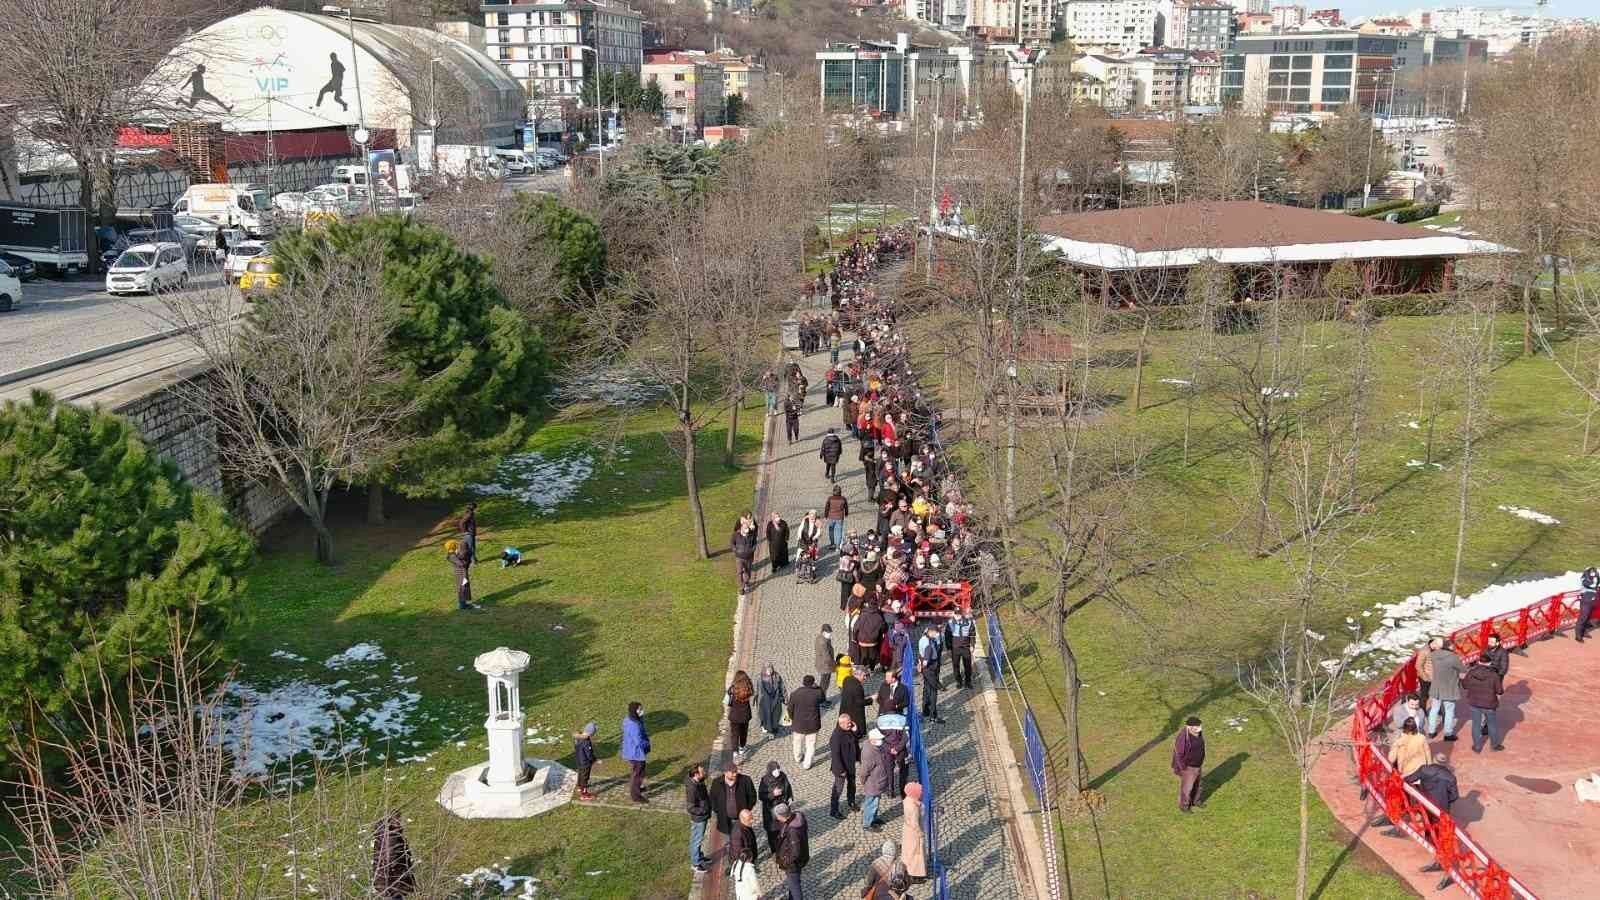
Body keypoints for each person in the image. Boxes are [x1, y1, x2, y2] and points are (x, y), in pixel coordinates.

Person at [1407, 756, 1461, 891]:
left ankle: (1438, 859)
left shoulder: (1424, 770)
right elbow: (1454, 796)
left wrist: (1419, 788)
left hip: (1426, 808)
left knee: (1431, 832)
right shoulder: (1450, 777)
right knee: (1443, 837)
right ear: (1445, 763)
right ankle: (1440, 861)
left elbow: (1408, 780)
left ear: (1434, 760)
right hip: (1442, 811)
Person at [710, 763, 757, 855]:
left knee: (745, 840)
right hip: (725, 819)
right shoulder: (717, 783)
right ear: (725, 773)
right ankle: (733, 858)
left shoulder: (745, 780)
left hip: (741, 819)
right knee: (730, 841)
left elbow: (752, 796)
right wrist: (719, 811)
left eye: (736, 771)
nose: (735, 774)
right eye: (732, 772)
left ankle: (746, 857)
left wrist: (746, 810)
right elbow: (712, 798)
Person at [1462, 655, 1505, 752]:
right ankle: (1494, 746)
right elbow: (1499, 691)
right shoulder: (1494, 675)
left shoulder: (1471, 672)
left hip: (1474, 702)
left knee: (1476, 725)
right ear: (1489, 663)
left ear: (1479, 662)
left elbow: (1464, 685)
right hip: (1489, 703)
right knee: (1491, 725)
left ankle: (1477, 746)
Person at [1427, 642, 1467, 740]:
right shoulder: (1453, 657)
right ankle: (1448, 733)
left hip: (1436, 687)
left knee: (1434, 709)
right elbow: (1463, 669)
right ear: (1450, 647)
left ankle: (1431, 731)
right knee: (1449, 711)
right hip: (1449, 688)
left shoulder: (1434, 654)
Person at [787, 675, 825, 769]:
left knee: (797, 742)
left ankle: (798, 757)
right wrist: (819, 687)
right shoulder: (817, 693)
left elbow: (789, 709)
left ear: (803, 682)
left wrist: (793, 718)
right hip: (813, 725)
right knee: (811, 745)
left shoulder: (795, 693)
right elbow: (823, 699)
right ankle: (807, 764)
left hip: (798, 724)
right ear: (813, 683)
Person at [774, 803, 810, 900]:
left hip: (792, 864)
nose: (776, 818)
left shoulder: (792, 830)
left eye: (777, 816)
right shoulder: (798, 818)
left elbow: (795, 852)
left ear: (783, 817)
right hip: (800, 859)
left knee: (795, 886)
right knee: (793, 884)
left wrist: (786, 862)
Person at [758, 760, 794, 854]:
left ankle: (785, 846)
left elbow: (788, 787)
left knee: (784, 829)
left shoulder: (783, 776)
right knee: (773, 832)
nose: (777, 770)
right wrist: (773, 794)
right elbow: (761, 796)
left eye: (778, 768)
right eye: (775, 769)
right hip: (771, 812)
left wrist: (790, 797)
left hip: (783, 808)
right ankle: (774, 850)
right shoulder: (765, 780)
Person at [829, 713, 860, 819]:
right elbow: (835, 754)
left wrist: (855, 730)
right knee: (838, 789)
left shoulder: (849, 729)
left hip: (850, 764)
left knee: (852, 785)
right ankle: (834, 810)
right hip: (841, 767)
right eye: (848, 723)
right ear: (841, 723)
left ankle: (851, 802)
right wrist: (841, 770)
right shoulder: (836, 736)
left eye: (850, 722)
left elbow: (855, 741)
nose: (850, 724)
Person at [1172, 716, 1205, 813]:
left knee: (1198, 785)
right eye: (1195, 726)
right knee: (1187, 788)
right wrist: (1183, 768)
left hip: (1198, 765)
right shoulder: (1183, 738)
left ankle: (1196, 801)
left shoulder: (1198, 734)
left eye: (1198, 725)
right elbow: (1178, 754)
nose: (1197, 727)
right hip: (1188, 767)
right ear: (1188, 727)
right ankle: (1184, 806)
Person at [860, 728, 890, 831]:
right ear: (872, 739)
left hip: (878, 781)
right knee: (871, 803)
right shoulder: (869, 752)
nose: (881, 741)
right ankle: (867, 824)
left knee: (875, 802)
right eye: (879, 739)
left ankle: (874, 818)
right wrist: (863, 781)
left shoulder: (876, 746)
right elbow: (864, 771)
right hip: (873, 783)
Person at [621, 701, 651, 803]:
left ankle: (637, 788)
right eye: (639, 709)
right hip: (636, 753)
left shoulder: (629, 719)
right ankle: (636, 796)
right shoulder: (634, 724)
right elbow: (638, 741)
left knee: (639, 772)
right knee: (637, 774)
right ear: (635, 711)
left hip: (632, 751)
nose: (641, 711)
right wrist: (647, 744)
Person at [685, 764, 712, 873]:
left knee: (697, 839)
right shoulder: (692, 788)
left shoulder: (698, 781)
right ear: (696, 774)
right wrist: (704, 810)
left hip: (702, 816)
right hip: (699, 819)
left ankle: (699, 857)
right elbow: (690, 808)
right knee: (696, 840)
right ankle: (695, 863)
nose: (704, 772)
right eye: (702, 772)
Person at [917, 624, 944, 724]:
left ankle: (925, 711)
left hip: (926, 669)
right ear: (931, 632)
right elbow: (926, 661)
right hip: (930, 668)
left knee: (926, 690)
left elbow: (920, 655)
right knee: (933, 693)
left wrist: (920, 664)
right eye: (936, 633)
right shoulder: (928, 644)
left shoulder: (922, 639)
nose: (937, 634)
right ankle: (933, 716)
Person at [900, 782, 927, 882]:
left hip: (907, 830)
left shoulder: (907, 800)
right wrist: (920, 833)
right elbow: (915, 823)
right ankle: (915, 874)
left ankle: (908, 870)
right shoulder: (914, 807)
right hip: (913, 833)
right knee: (916, 853)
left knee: (908, 851)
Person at [839, 666, 870, 747]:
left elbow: (852, 695)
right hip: (855, 713)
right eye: (864, 676)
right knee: (854, 733)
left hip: (845, 709)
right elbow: (860, 702)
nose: (865, 678)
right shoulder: (857, 686)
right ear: (858, 675)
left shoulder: (847, 679)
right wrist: (871, 699)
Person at [726, 670, 755, 756]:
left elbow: (727, 701)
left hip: (734, 715)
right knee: (743, 732)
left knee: (734, 734)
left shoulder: (732, 689)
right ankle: (742, 747)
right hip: (745, 715)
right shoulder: (748, 688)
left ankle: (735, 751)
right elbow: (752, 692)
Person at [946, 611, 976, 689]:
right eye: (956, 614)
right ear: (954, 614)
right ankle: (959, 681)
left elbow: (972, 634)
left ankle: (968, 682)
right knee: (956, 666)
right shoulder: (950, 623)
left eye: (959, 614)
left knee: (968, 666)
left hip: (966, 648)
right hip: (955, 649)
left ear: (961, 614)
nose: (957, 616)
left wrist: (972, 645)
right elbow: (947, 636)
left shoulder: (969, 622)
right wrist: (949, 648)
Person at [446, 539, 478, 611]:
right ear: (452, 546)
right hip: (460, 574)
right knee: (462, 588)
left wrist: (465, 556)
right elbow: (461, 564)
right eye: (455, 545)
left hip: (463, 573)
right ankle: (462, 605)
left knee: (465, 587)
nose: (457, 546)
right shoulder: (452, 555)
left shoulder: (455, 554)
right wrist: (464, 557)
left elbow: (464, 561)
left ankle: (464, 603)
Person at [731, 514, 758, 596]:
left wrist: (752, 550)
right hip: (739, 557)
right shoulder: (736, 534)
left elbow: (755, 543)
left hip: (748, 557)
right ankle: (741, 588)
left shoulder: (751, 535)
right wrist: (735, 550)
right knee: (739, 572)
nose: (746, 530)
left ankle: (746, 582)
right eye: (745, 528)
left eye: (747, 529)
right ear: (742, 528)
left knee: (748, 571)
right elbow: (732, 543)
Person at [758, 663, 787, 738]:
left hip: (776, 699)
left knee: (776, 715)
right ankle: (769, 730)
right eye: (768, 669)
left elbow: (782, 687)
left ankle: (774, 728)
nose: (769, 671)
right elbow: (758, 690)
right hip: (765, 701)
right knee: (766, 715)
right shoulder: (761, 677)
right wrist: (757, 700)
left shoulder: (777, 676)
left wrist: (785, 698)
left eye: (770, 669)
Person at [727, 807, 760, 873]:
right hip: (744, 861)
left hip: (749, 854)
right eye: (749, 819)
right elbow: (737, 851)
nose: (752, 821)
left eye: (751, 818)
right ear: (742, 819)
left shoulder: (745, 825)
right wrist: (747, 863)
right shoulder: (737, 833)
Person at [573, 721, 597, 801]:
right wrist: (594, 760)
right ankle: (584, 794)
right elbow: (589, 754)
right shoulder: (586, 742)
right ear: (590, 733)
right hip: (585, 763)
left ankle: (579, 786)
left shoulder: (577, 738)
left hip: (579, 761)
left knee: (580, 774)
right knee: (585, 778)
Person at [1414, 637, 1440, 705]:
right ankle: (1424, 710)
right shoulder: (1424, 651)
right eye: (1438, 646)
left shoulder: (1433, 650)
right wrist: (1425, 678)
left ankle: (1436, 710)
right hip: (1426, 678)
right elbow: (1418, 666)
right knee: (1425, 696)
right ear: (1433, 644)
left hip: (1432, 677)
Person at [814, 625, 835, 706]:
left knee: (823, 683)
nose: (829, 634)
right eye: (828, 633)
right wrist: (834, 664)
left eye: (830, 633)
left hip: (822, 664)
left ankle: (822, 699)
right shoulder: (823, 642)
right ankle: (822, 701)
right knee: (824, 684)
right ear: (823, 632)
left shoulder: (821, 638)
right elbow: (827, 657)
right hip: (825, 666)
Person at [823, 485, 849, 550]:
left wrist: (826, 515)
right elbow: (846, 507)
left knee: (831, 531)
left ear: (833, 491)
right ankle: (837, 546)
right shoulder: (843, 498)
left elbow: (827, 507)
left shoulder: (830, 498)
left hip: (831, 516)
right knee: (839, 531)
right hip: (840, 517)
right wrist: (846, 513)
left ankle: (832, 544)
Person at [1579, 566, 1600, 642]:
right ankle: (1578, 636)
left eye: (1594, 572)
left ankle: (1584, 632)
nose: (1593, 573)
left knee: (1587, 617)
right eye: (1591, 572)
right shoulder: (1585, 579)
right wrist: (1596, 578)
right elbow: (1592, 585)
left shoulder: (1592, 579)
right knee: (1583, 618)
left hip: (1592, 600)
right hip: (1586, 600)